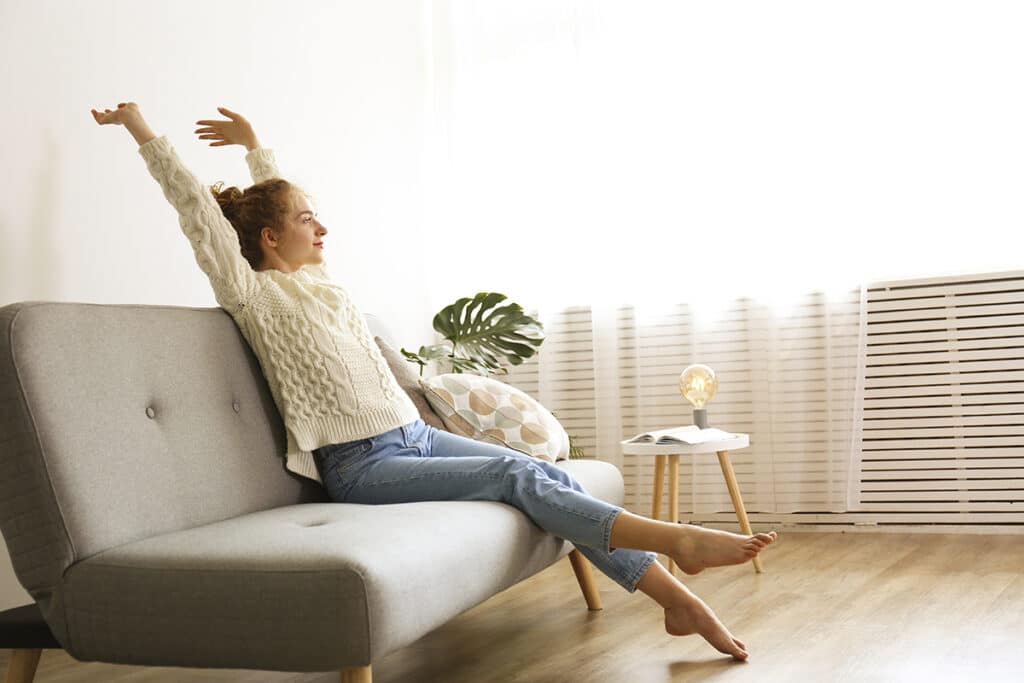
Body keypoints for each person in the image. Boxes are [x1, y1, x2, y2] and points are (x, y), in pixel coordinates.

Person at [91, 101, 778, 662]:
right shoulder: (254, 295)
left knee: (542, 473)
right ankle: (676, 541)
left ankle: (678, 601)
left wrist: (257, 148)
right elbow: (201, 220)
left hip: (417, 437)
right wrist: (143, 131)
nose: (322, 228)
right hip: (364, 464)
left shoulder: (321, 285)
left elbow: (276, 201)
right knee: (524, 482)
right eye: (306, 221)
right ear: (270, 240)